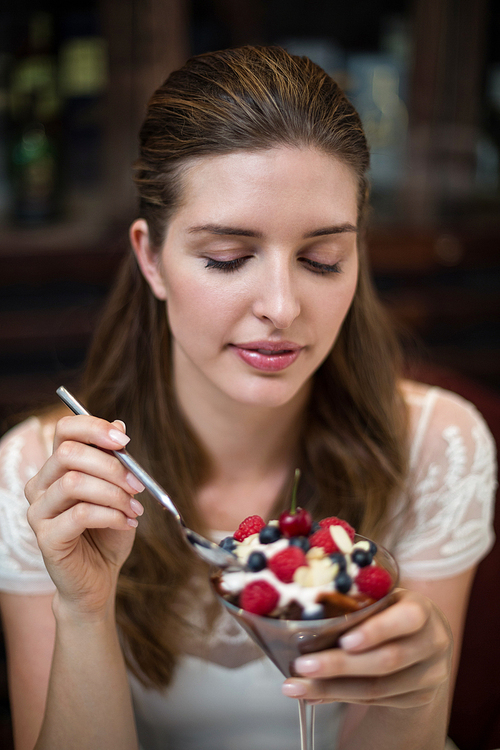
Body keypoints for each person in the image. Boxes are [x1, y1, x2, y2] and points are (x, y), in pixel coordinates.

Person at [0, 46, 496, 750]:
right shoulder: (41, 476)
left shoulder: (438, 445)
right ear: (151, 258)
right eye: (228, 258)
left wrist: (413, 693)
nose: (283, 306)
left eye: (323, 259)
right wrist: (84, 611)